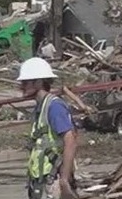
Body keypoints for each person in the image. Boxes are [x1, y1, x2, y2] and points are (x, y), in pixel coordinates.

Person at [17, 57, 77, 199]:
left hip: (52, 180)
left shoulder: (54, 107)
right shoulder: (41, 107)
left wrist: (64, 179)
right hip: (40, 181)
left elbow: (71, 139)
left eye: (25, 82)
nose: (21, 86)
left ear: (38, 82)